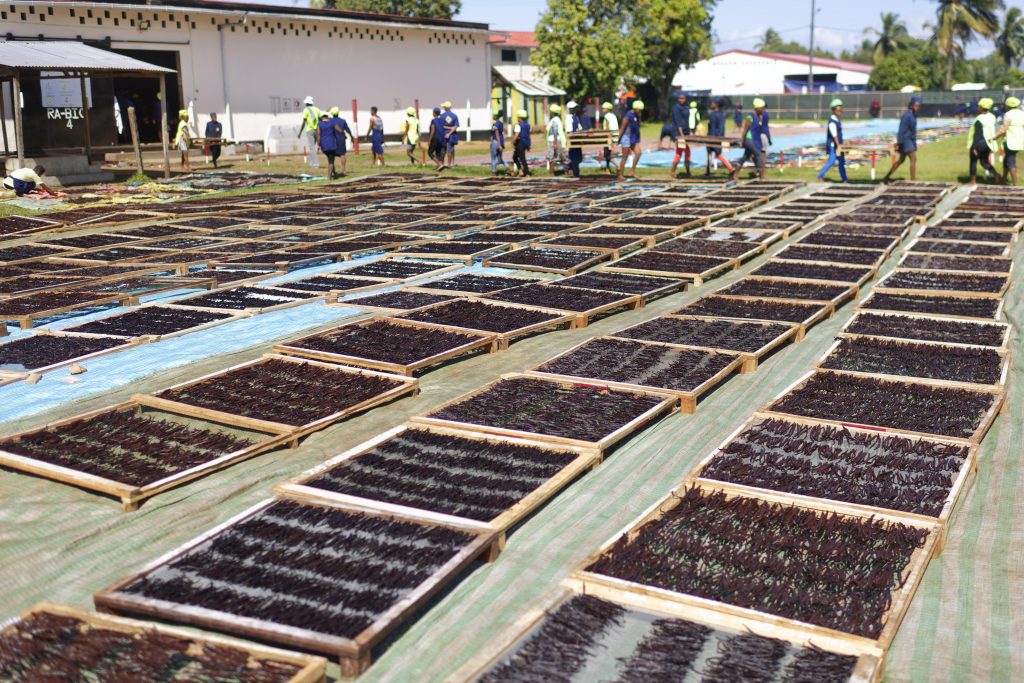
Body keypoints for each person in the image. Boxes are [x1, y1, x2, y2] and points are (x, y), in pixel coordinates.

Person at [731, 98, 770, 181]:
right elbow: (745, 130)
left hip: (754, 139)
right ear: (757, 108)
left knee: (745, 157)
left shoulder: (759, 117)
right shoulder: (750, 116)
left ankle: (735, 175)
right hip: (749, 139)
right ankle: (761, 175)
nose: (763, 110)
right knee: (758, 154)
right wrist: (742, 141)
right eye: (762, 108)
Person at [883, 97, 921, 183]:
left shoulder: (913, 115)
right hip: (905, 140)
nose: (917, 107)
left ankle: (886, 177)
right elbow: (901, 130)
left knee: (901, 160)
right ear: (911, 105)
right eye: (916, 105)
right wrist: (899, 143)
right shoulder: (907, 115)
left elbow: (913, 131)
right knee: (913, 158)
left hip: (910, 140)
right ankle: (913, 180)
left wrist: (914, 144)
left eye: (919, 106)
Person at [967, 97, 1000, 185]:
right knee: (984, 162)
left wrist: (974, 147)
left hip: (979, 144)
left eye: (978, 106)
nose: (977, 108)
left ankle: (972, 181)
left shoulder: (979, 119)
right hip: (988, 143)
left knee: (973, 161)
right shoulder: (992, 116)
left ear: (981, 108)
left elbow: (977, 134)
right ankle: (996, 175)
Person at [995, 96, 1024, 185]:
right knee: (1007, 159)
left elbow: (1004, 129)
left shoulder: (1008, 114)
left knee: (1011, 162)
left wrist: (995, 137)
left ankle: (1015, 185)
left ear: (1007, 105)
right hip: (1019, 140)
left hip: (1010, 141)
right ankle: (1003, 180)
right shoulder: (1022, 113)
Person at [818, 98, 847, 183]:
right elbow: (834, 135)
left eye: (841, 109)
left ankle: (844, 179)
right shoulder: (832, 122)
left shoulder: (837, 120)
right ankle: (820, 176)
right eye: (838, 110)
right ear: (834, 110)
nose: (840, 111)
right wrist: (838, 145)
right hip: (834, 145)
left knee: (842, 161)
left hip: (839, 145)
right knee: (831, 161)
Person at [705, 98, 734, 176]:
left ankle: (731, 168)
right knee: (714, 154)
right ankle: (707, 170)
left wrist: (711, 138)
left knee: (713, 154)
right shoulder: (722, 114)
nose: (711, 104)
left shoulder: (713, 115)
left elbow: (713, 128)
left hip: (713, 137)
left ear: (716, 104)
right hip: (720, 136)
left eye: (712, 103)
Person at [617, 100, 644, 179]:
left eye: (640, 110)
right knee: (624, 156)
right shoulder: (628, 116)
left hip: (633, 138)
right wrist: (618, 139)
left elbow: (639, 125)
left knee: (638, 153)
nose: (640, 111)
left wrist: (639, 116)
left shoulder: (636, 115)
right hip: (626, 137)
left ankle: (632, 171)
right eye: (639, 110)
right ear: (634, 108)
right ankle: (620, 174)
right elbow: (622, 128)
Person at [315, 112, 345, 179]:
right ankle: (329, 176)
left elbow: (318, 134)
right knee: (331, 161)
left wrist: (318, 144)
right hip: (332, 144)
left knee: (330, 159)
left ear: (321, 117)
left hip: (324, 145)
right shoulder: (332, 123)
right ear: (327, 116)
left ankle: (333, 173)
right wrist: (343, 135)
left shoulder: (319, 124)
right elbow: (340, 130)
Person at [328, 106, 355, 176]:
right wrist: (351, 137)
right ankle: (344, 170)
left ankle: (333, 171)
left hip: (332, 140)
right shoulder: (343, 121)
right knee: (342, 154)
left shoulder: (330, 121)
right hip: (341, 140)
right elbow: (348, 130)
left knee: (332, 156)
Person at [669, 93, 691, 177]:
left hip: (686, 132)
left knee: (684, 151)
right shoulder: (676, 108)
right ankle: (673, 171)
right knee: (680, 151)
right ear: (678, 99)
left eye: (683, 98)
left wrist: (689, 132)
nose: (682, 100)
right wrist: (681, 134)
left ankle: (687, 172)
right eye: (680, 98)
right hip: (678, 132)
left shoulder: (686, 107)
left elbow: (687, 120)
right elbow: (678, 122)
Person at [298, 96, 320, 168]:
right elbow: (319, 120)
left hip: (310, 130)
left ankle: (315, 164)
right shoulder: (317, 109)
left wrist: (300, 133)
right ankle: (311, 163)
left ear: (307, 103)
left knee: (312, 148)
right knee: (313, 147)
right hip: (317, 130)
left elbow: (304, 122)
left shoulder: (306, 110)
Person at [546, 103, 567, 175]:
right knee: (562, 157)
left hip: (553, 140)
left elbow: (555, 131)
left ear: (553, 112)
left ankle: (551, 173)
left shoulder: (554, 120)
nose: (550, 113)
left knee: (551, 158)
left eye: (550, 111)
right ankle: (567, 171)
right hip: (558, 140)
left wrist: (554, 143)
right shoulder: (558, 119)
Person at [566, 101, 584, 178]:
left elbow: (579, 127)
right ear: (569, 109)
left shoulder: (576, 117)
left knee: (579, 157)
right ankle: (575, 173)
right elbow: (569, 131)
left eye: (575, 108)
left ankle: (569, 167)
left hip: (577, 138)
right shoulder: (568, 118)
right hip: (572, 139)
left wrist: (579, 131)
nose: (575, 110)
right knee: (574, 158)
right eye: (573, 108)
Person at [512, 109, 532, 176]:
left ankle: (526, 173)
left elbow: (516, 135)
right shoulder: (528, 125)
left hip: (520, 143)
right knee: (515, 157)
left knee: (522, 158)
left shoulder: (518, 125)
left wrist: (512, 142)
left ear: (519, 118)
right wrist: (529, 145)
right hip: (525, 143)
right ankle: (520, 171)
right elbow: (529, 135)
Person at [440, 101, 460, 168]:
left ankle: (441, 164)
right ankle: (449, 165)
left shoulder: (442, 116)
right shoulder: (454, 116)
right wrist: (450, 132)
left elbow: (441, 126)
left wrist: (446, 129)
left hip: (443, 134)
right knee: (450, 150)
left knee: (443, 149)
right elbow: (456, 126)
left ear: (445, 107)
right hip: (452, 135)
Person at [601, 102, 618, 175]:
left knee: (606, 155)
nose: (602, 109)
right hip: (615, 136)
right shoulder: (613, 116)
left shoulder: (607, 116)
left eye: (604, 108)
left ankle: (617, 166)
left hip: (608, 137)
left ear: (608, 109)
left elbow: (607, 128)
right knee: (608, 153)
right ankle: (607, 169)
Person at [490, 110, 508, 175]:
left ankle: (494, 172)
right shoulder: (501, 123)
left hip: (496, 142)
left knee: (493, 158)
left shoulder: (495, 124)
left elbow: (496, 134)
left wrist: (499, 145)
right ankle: (509, 168)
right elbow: (502, 134)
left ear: (495, 116)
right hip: (501, 141)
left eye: (493, 115)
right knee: (500, 159)